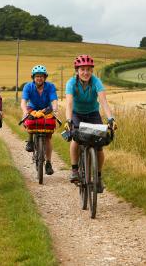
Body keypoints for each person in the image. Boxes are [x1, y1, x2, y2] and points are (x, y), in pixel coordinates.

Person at [64, 55, 115, 193]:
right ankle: (75, 169)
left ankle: (98, 177)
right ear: (77, 71)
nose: (86, 72)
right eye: (82, 69)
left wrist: (110, 119)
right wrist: (69, 120)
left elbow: (103, 101)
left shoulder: (96, 82)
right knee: (75, 138)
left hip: (93, 114)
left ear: (92, 71)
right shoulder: (71, 83)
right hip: (77, 114)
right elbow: (69, 103)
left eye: (88, 70)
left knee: (99, 145)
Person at [20, 64, 58, 175]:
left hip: (46, 109)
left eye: (41, 76)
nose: (39, 78)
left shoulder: (50, 86)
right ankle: (30, 140)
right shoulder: (28, 86)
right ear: (33, 77)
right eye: (37, 76)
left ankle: (49, 163)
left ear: (45, 77)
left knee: (48, 137)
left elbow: (54, 101)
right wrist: (25, 111)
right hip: (32, 108)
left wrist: (55, 110)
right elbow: (24, 102)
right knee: (29, 122)